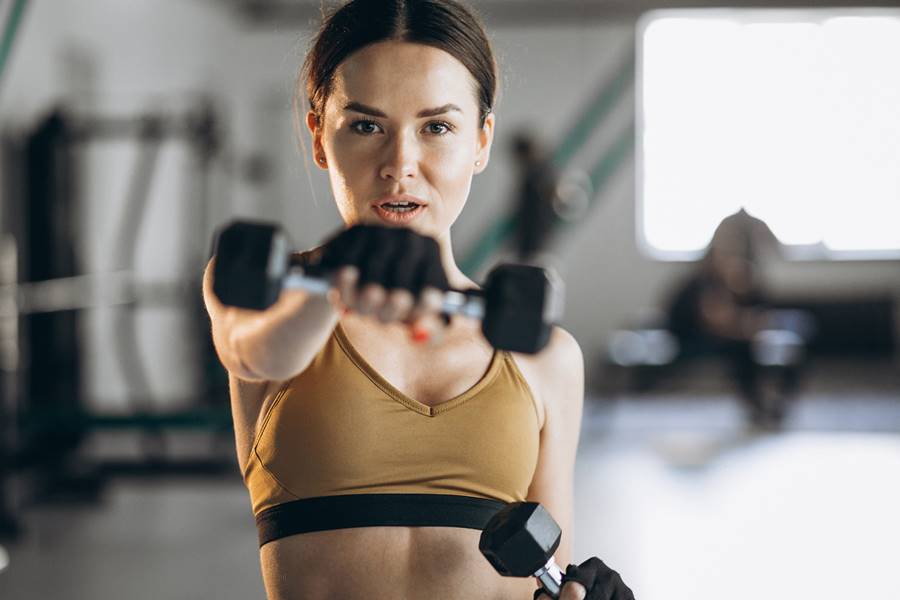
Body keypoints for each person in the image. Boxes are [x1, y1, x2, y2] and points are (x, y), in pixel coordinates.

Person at [203, 1, 633, 598]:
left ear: (481, 141)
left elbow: (549, 568)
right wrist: (336, 274)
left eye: (437, 127)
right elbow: (256, 355)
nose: (400, 165)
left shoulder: (545, 354)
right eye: (365, 125)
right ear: (318, 137)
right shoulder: (271, 292)